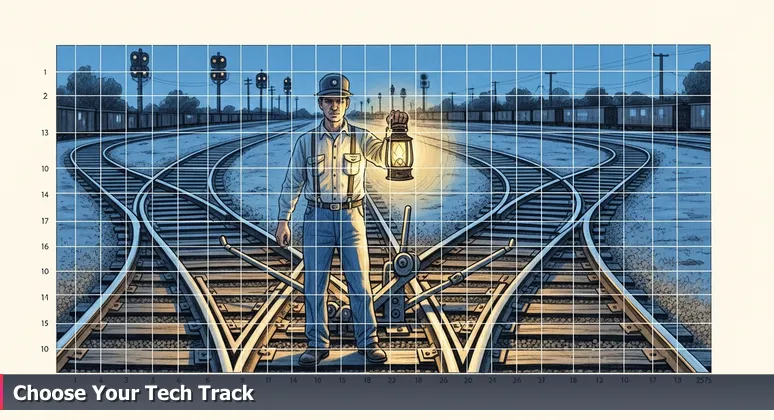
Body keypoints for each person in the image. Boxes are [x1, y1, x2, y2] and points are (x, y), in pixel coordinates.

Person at [275, 73, 409, 367]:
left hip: (352, 217)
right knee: (314, 284)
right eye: (329, 101)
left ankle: (367, 343)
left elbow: (387, 156)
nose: (334, 106)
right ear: (321, 104)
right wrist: (284, 219)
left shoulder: (361, 137)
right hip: (316, 217)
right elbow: (292, 182)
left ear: (347, 104)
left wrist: (397, 131)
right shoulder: (306, 143)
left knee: (360, 283)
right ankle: (316, 345)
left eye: (340, 101)